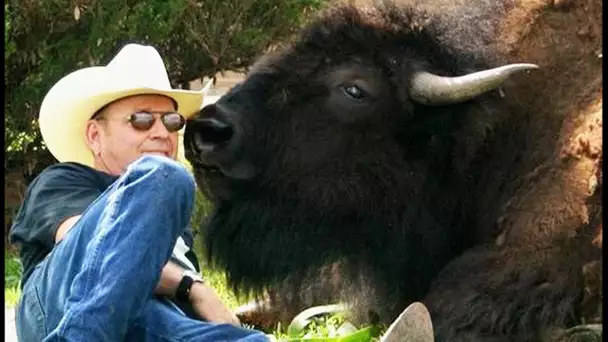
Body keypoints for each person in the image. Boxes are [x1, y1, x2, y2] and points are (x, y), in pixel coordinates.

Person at [9, 43, 269, 341]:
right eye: (141, 119)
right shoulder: (63, 180)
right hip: (61, 312)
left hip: (150, 322)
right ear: (95, 135)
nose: (161, 133)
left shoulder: (171, 209)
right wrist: (192, 287)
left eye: (171, 121)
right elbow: (98, 253)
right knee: (166, 176)